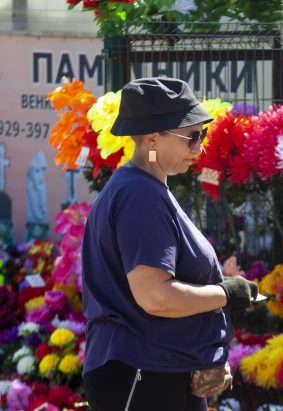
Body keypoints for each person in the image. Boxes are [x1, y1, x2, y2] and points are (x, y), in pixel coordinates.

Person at [81, 77, 258, 411]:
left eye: (202, 134)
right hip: (143, 373)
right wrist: (227, 293)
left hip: (153, 371)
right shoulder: (140, 194)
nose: (199, 147)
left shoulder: (143, 188)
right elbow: (156, 297)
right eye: (191, 136)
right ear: (151, 138)